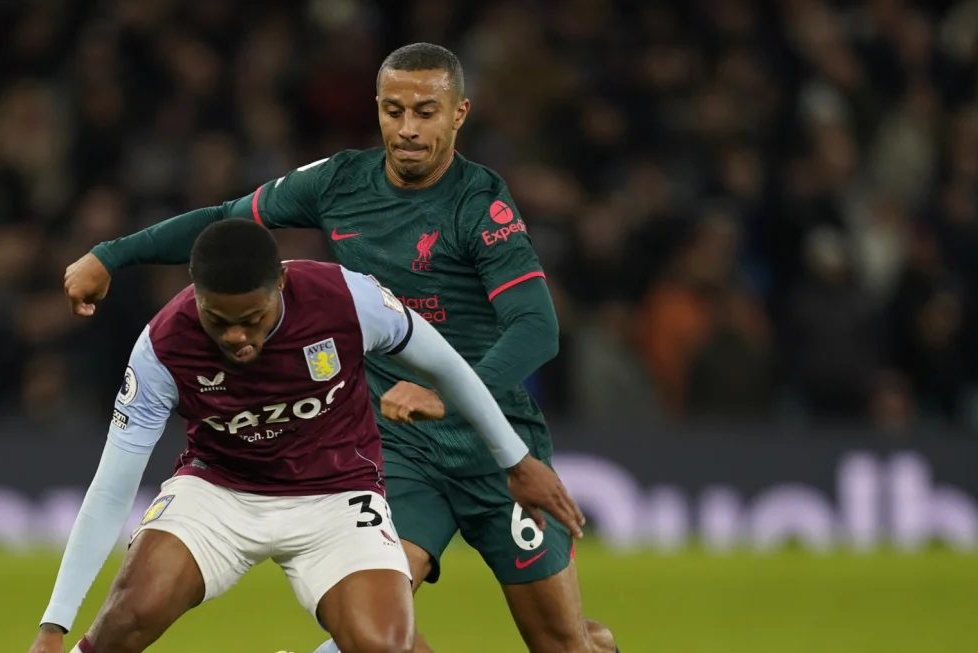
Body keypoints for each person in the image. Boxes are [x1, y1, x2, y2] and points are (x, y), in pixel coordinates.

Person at [63, 43, 618, 653]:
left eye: (426, 112)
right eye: (393, 110)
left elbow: (537, 328)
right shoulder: (337, 182)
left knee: (563, 645)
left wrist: (446, 394)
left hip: (492, 441)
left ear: (459, 114)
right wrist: (110, 254)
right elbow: (228, 221)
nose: (407, 129)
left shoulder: (479, 205)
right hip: (396, 450)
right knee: (378, 630)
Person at [29, 219, 583, 653]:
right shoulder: (163, 346)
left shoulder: (348, 299)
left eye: (252, 316)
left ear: (282, 283)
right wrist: (53, 624)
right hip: (219, 491)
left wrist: (515, 460)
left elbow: (450, 369)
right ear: (195, 296)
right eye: (219, 320)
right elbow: (110, 489)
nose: (238, 337)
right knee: (130, 614)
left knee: (380, 643)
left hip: (337, 495)